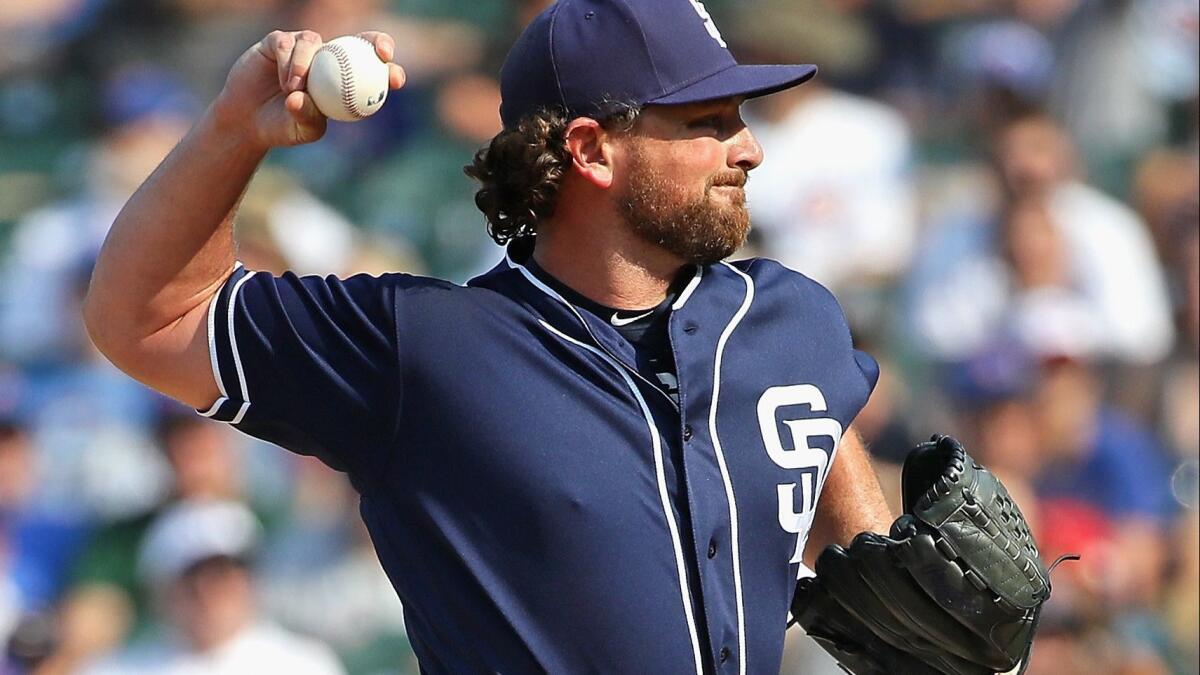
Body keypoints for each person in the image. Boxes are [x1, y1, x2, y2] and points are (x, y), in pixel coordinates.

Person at [82, 1, 895, 672]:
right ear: (591, 151)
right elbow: (147, 318)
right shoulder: (424, 347)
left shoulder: (789, 317)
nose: (748, 146)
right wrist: (234, 130)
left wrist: (894, 580)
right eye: (708, 120)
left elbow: (830, 458)